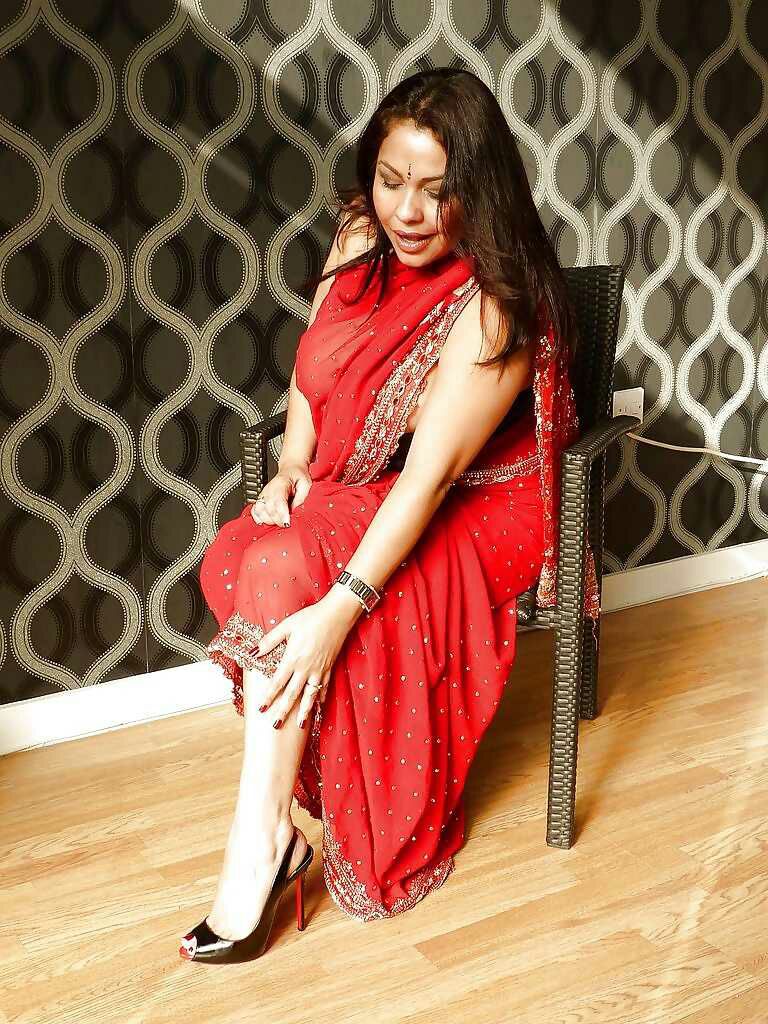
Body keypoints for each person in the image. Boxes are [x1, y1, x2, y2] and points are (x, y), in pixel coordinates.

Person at [179, 68, 599, 963]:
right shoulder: (358, 237)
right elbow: (314, 370)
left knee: (293, 576)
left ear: (478, 192)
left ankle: (257, 847)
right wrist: (293, 466)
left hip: (479, 501)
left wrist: (342, 609)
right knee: (261, 555)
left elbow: (433, 478)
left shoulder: (495, 305)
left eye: (438, 191)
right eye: (391, 180)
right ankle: (275, 835)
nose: (409, 211)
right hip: (380, 479)